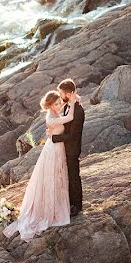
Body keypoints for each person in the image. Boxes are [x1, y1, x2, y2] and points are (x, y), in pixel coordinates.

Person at [2, 90, 77, 240]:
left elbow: (62, 111)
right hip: (53, 151)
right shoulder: (51, 118)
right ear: (49, 106)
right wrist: (73, 102)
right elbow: (70, 117)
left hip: (56, 147)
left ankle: (58, 204)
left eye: (58, 103)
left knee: (57, 176)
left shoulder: (54, 113)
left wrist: (67, 102)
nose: (58, 105)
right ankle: (51, 209)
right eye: (55, 104)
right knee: (52, 177)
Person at [49, 78, 84, 216]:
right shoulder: (69, 104)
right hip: (65, 148)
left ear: (68, 94)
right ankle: (69, 202)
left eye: (61, 93)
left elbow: (73, 135)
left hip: (72, 149)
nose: (60, 96)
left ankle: (77, 205)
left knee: (74, 176)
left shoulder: (78, 111)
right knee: (67, 176)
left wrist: (55, 138)